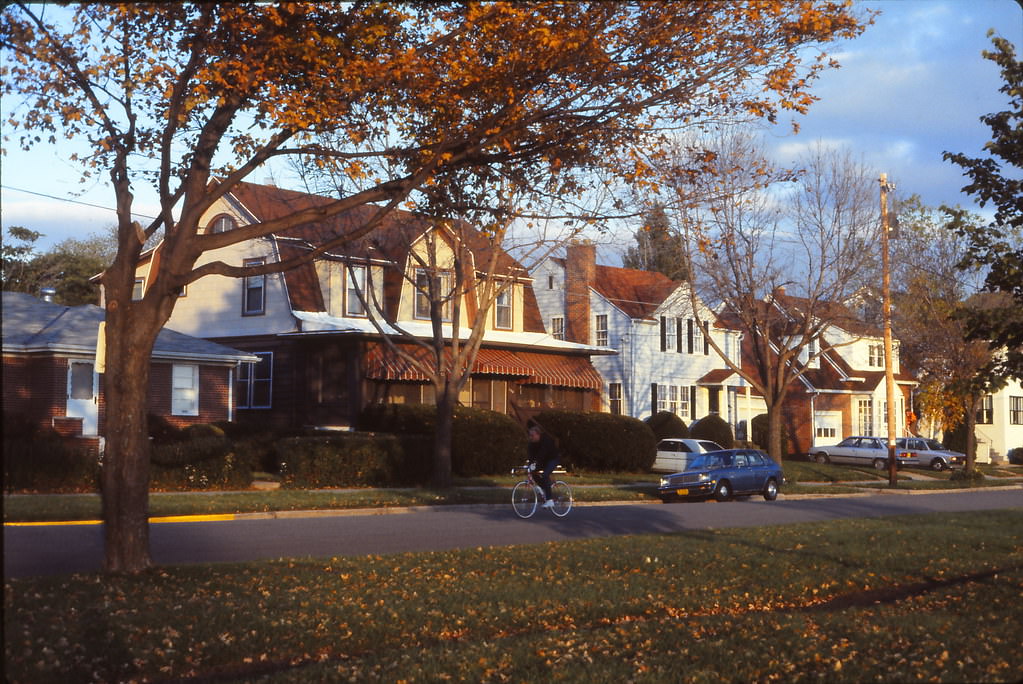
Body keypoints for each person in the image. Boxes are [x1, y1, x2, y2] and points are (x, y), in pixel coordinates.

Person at [526, 422, 560, 508]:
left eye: (532, 435)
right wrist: (530, 465)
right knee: (534, 473)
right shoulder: (531, 444)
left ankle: (549, 500)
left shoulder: (546, 440)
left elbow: (543, 453)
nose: (531, 437)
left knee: (545, 475)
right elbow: (531, 455)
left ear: (538, 435)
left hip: (552, 459)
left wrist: (536, 462)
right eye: (530, 435)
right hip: (543, 461)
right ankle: (545, 488)